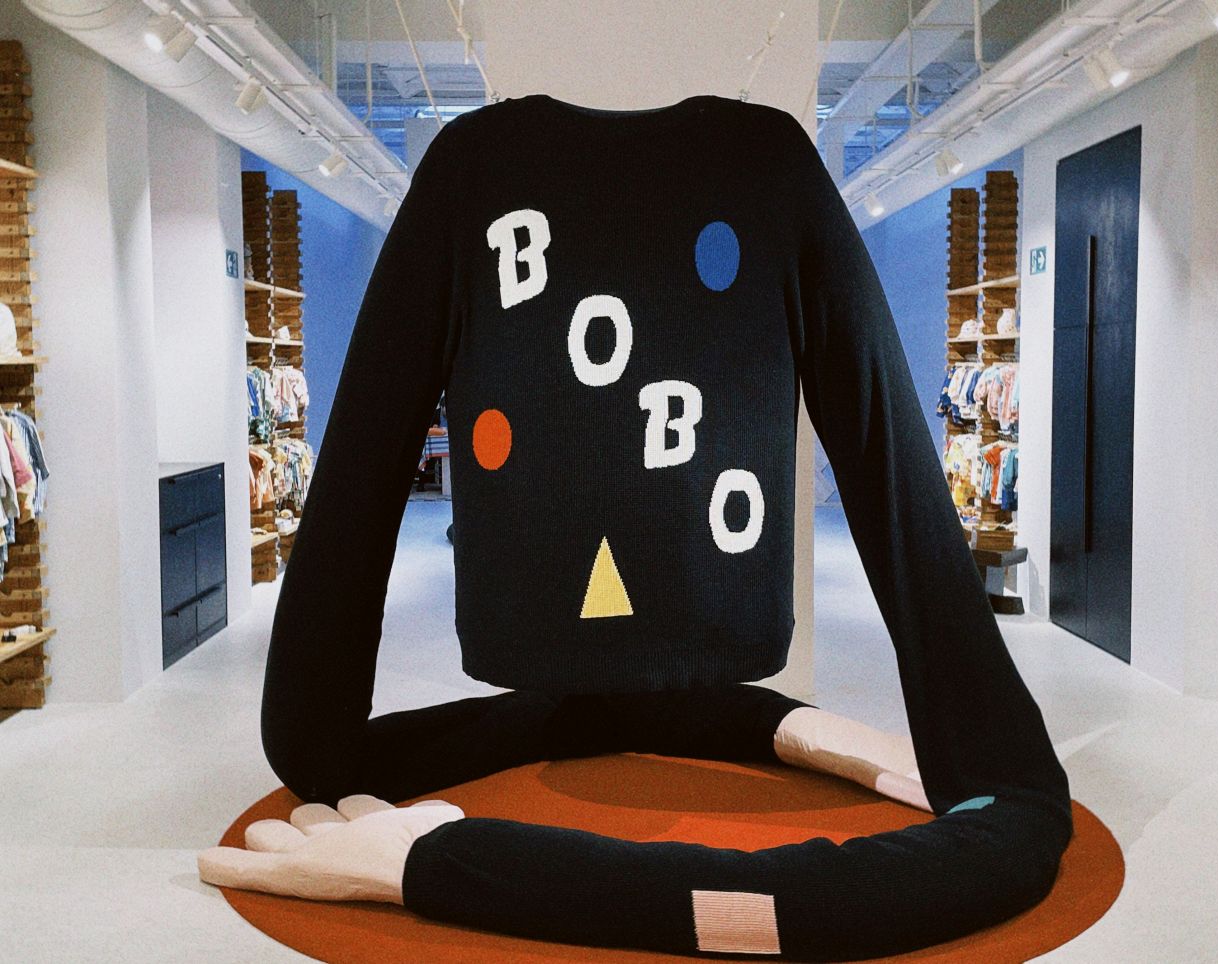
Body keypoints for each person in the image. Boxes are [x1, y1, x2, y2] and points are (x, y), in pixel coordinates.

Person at [199, 94, 1072, 960]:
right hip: (651, 627)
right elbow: (887, 451)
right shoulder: (507, 172)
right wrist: (975, 747)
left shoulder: (734, 167)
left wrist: (437, 863)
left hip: (651, 632)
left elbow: (887, 452)